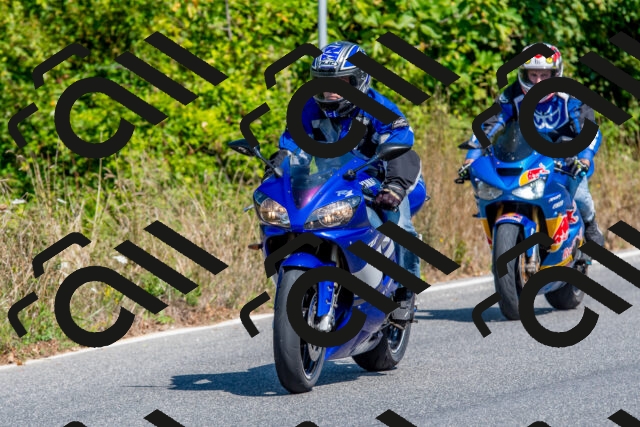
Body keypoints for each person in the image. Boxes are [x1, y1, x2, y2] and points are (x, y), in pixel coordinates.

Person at [265, 41, 425, 316]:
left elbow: (401, 145)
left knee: (400, 226)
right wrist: (275, 172)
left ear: (360, 80)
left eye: (341, 82)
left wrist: (394, 187)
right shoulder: (308, 109)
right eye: (324, 82)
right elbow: (291, 146)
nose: (330, 90)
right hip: (331, 180)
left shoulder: (380, 108)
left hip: (377, 176)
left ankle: (405, 291)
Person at [459, 42, 605, 251]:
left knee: (579, 195)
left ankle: (590, 224)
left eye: (544, 75)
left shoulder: (572, 96)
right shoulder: (511, 95)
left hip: (565, 158)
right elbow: (488, 125)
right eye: (533, 75)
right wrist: (471, 157)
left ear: (556, 74)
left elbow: (589, 130)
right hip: (526, 157)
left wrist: (584, 158)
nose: (538, 81)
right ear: (523, 74)